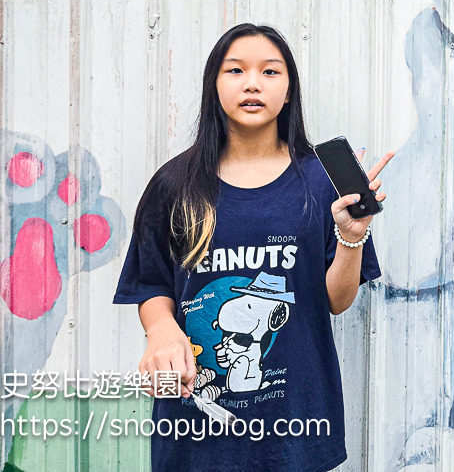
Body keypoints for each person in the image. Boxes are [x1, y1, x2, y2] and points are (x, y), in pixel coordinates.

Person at [113, 23, 391, 472]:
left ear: (289, 89)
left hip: (296, 429)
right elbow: (152, 284)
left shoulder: (321, 182)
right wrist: (161, 330)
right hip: (193, 433)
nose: (252, 83)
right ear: (214, 85)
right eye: (236, 70)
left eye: (270, 71)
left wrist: (351, 237)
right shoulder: (174, 184)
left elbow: (336, 301)